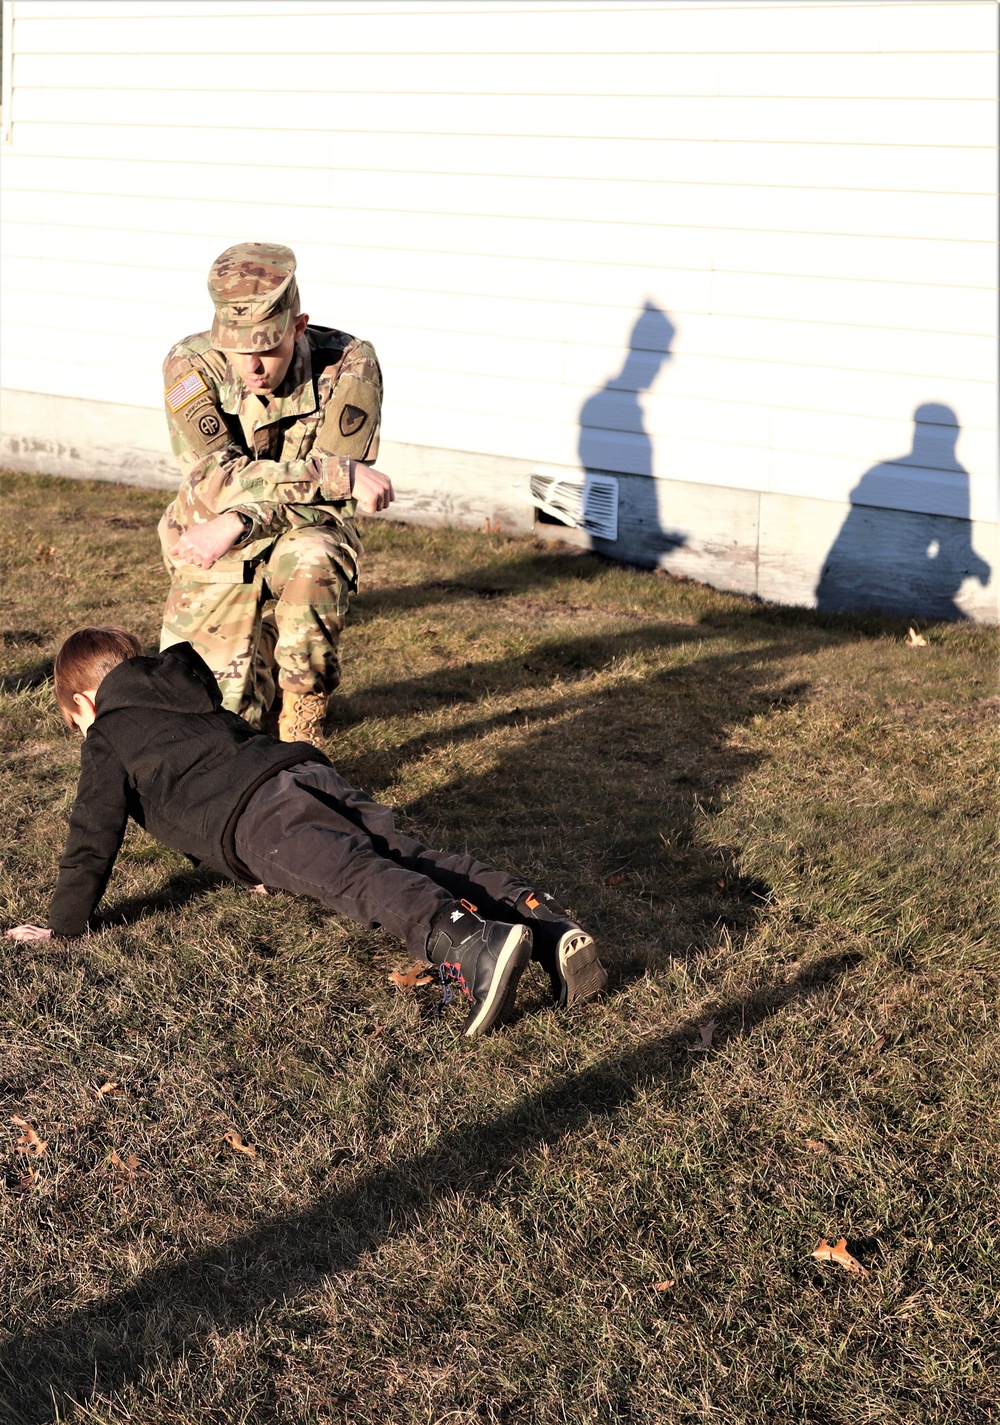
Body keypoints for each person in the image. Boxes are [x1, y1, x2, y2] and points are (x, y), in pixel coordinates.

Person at [5, 629, 607, 1038]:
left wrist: (64, 927)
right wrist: (254, 869)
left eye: (75, 721)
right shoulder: (183, 693)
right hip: (303, 772)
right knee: (401, 851)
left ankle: (467, 943)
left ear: (85, 702)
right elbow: (209, 772)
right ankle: (545, 922)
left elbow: (92, 838)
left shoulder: (108, 734)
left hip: (259, 817)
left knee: (353, 874)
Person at [157, 241, 394, 743]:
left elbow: (325, 507)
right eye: (239, 350)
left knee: (315, 558)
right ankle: (263, 655)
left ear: (299, 326)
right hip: (214, 543)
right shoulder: (189, 364)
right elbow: (218, 480)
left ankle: (302, 720)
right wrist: (334, 474)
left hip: (296, 533)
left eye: (268, 348)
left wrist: (240, 519)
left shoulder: (350, 364)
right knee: (206, 722)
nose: (254, 367)